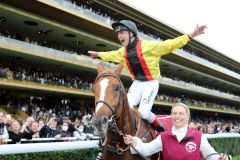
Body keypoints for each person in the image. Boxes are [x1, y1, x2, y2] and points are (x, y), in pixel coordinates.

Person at [88, 20, 207, 132]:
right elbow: (111, 55)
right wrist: (98, 54)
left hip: (150, 83)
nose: (119, 36)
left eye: (122, 32)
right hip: (137, 83)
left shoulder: (148, 46)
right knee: (125, 108)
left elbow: (171, 44)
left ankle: (160, 128)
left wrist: (191, 35)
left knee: (143, 113)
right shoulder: (122, 52)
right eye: (118, 33)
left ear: (131, 34)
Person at [123, 103, 230, 160]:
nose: (177, 116)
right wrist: (133, 141)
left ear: (188, 117)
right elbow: (146, 150)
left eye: (181, 113)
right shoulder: (163, 137)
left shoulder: (199, 136)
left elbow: (211, 156)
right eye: (174, 113)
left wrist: (220, 158)